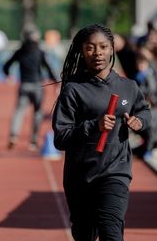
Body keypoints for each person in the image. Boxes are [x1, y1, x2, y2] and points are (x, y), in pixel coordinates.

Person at [52, 24, 151, 241]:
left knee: (111, 233)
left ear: (112, 49)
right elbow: (61, 138)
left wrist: (139, 121)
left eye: (103, 47)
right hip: (81, 177)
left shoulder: (128, 86)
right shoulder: (73, 90)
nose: (97, 53)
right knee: (85, 235)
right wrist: (92, 126)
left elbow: (144, 111)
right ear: (82, 51)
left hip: (116, 172)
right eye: (90, 47)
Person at [3, 25, 58, 151]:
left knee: (19, 111)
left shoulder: (20, 51)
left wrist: (8, 75)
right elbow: (48, 67)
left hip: (24, 85)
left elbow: (6, 65)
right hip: (38, 86)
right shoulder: (40, 51)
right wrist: (55, 82)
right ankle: (33, 141)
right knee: (37, 113)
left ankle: (14, 135)